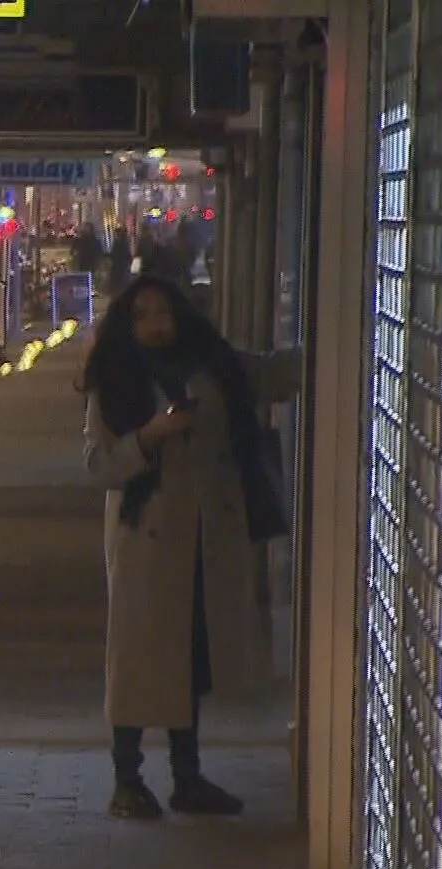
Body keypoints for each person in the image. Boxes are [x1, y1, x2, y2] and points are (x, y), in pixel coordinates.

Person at [78, 275, 265, 819]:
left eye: (163, 312)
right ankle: (127, 778)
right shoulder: (115, 379)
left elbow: (271, 372)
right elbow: (98, 464)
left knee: (189, 658)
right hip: (146, 541)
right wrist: (150, 436)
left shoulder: (211, 366)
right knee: (137, 662)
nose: (156, 325)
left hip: (200, 538)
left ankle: (188, 776)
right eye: (142, 316)